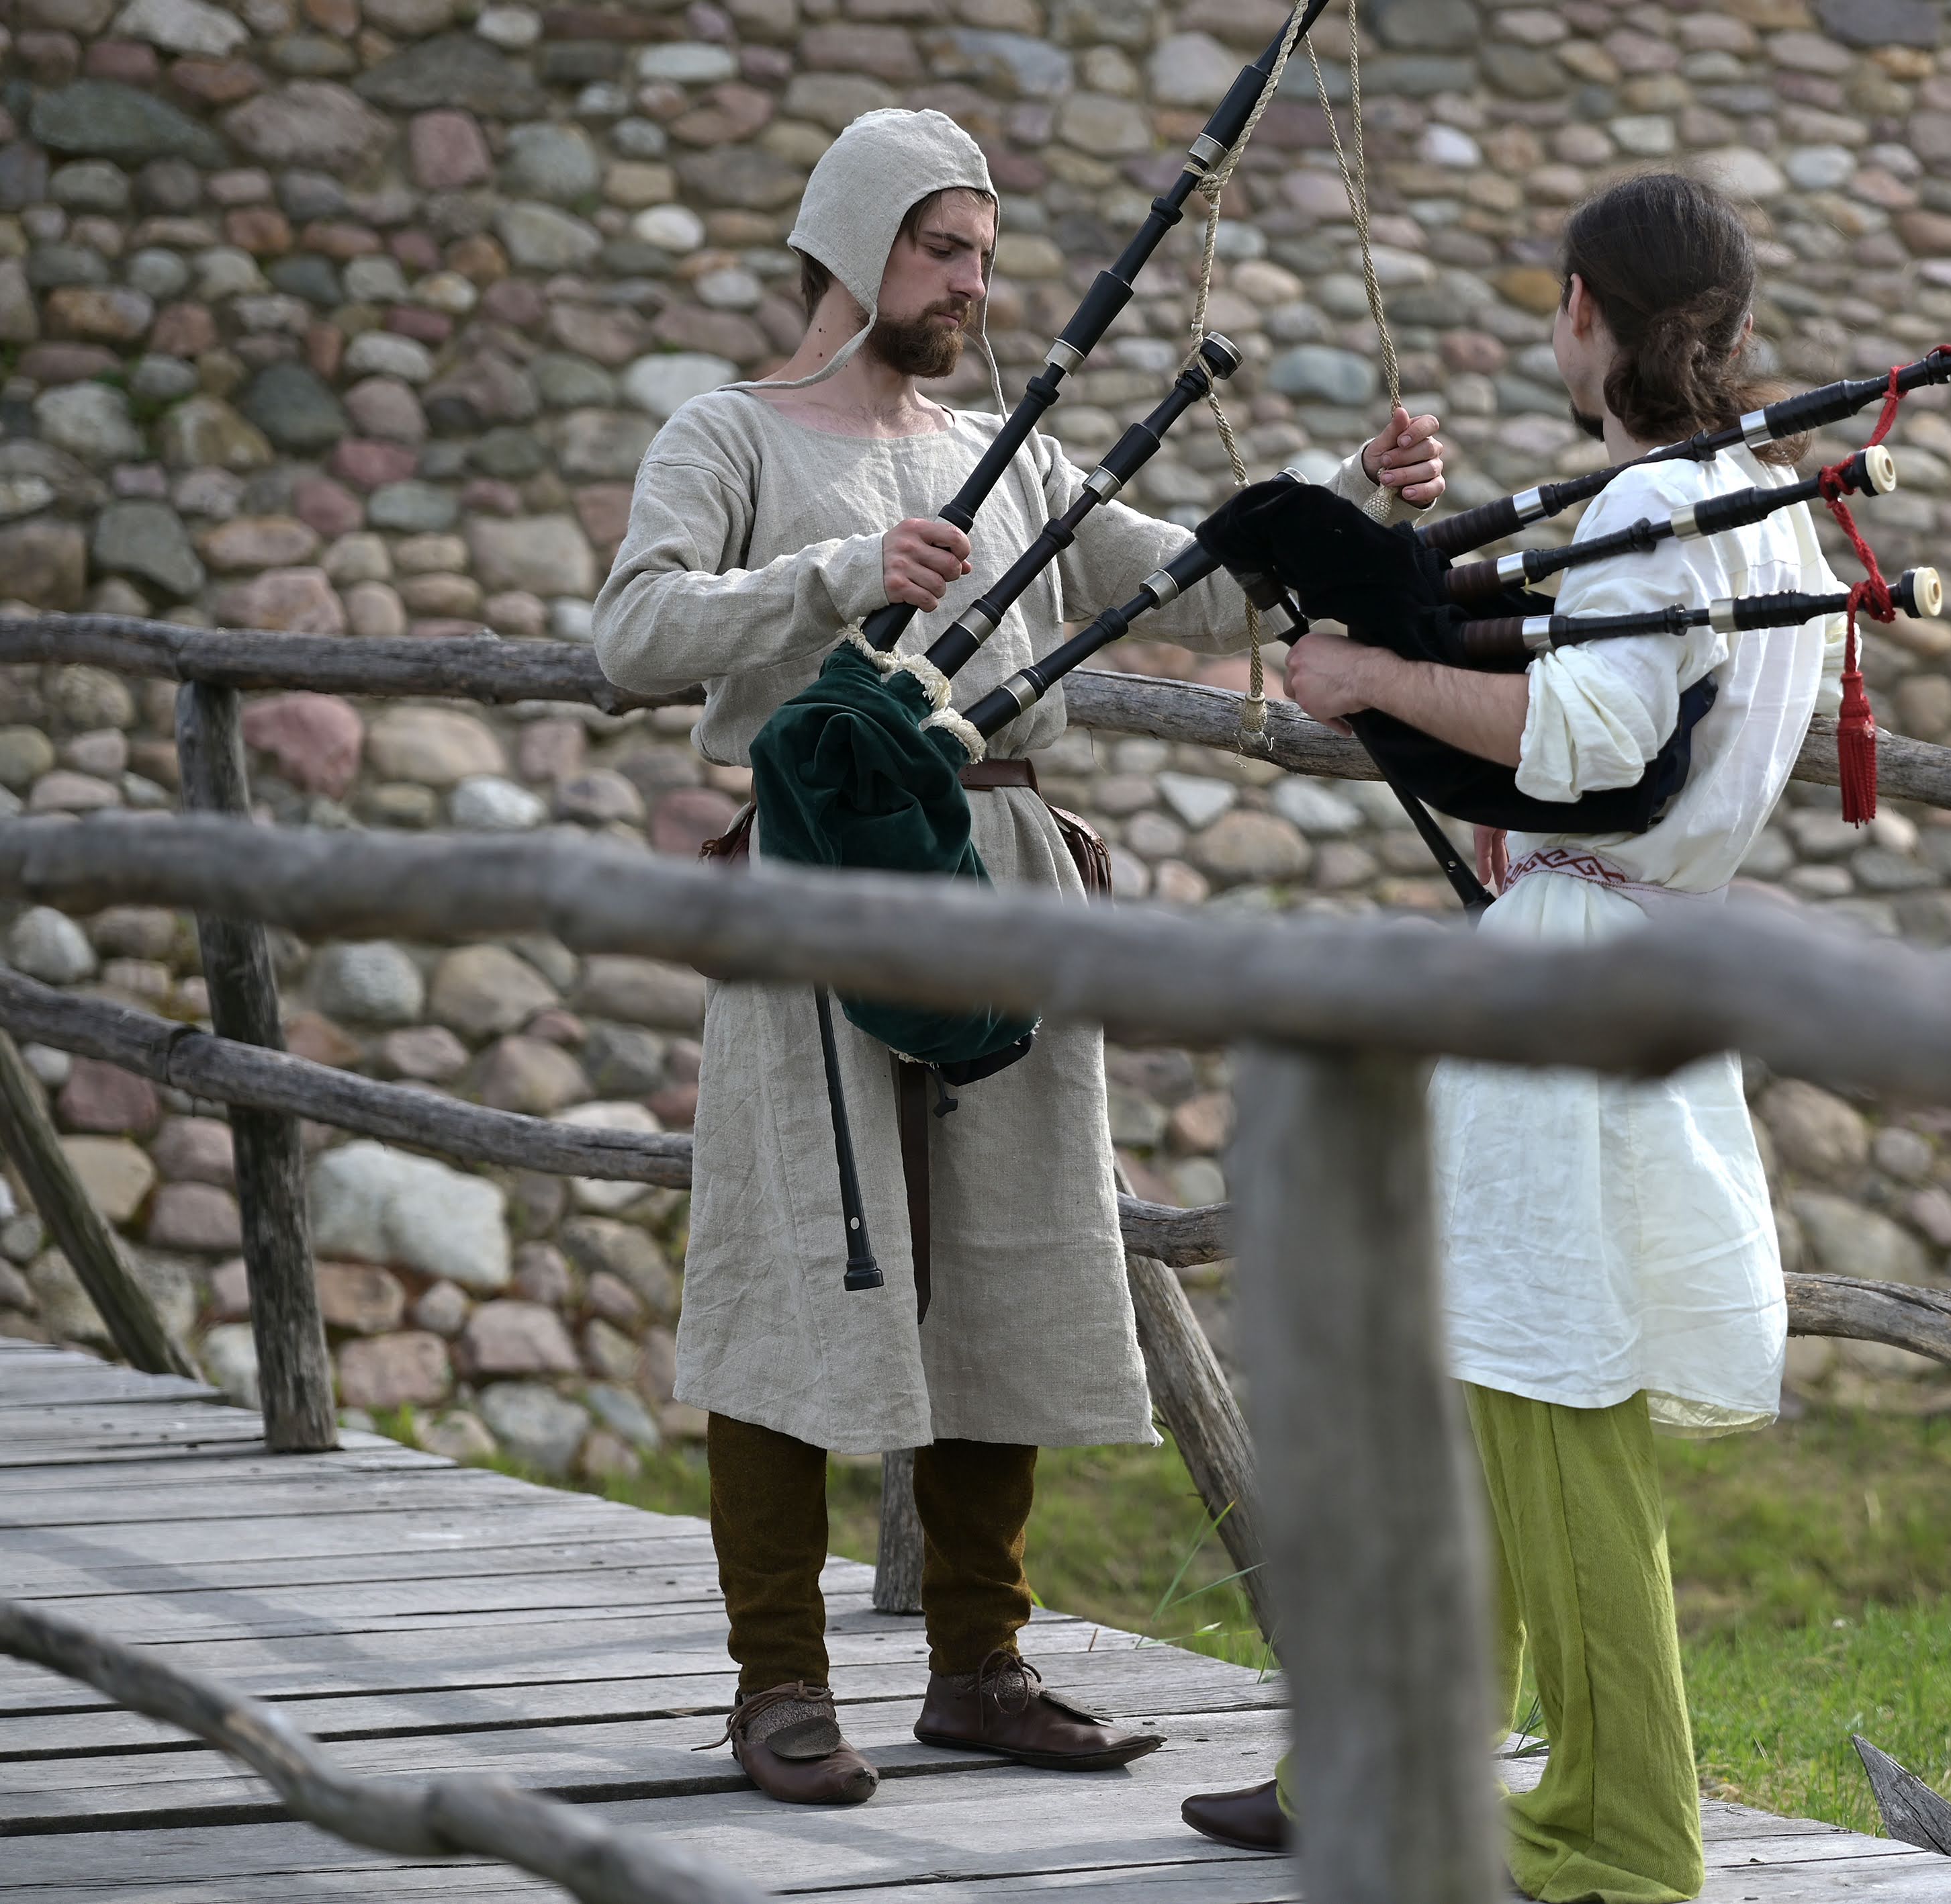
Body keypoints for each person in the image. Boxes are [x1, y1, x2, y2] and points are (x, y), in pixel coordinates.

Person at [592, 107, 1447, 1807]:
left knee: (1000, 1261)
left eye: (982, 253)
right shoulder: (730, 433)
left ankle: (979, 1663)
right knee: (790, 1269)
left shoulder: (1022, 455)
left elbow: (1193, 593)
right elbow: (633, 628)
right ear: (849, 247)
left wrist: (1347, 505)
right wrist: (836, 573)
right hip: (819, 875)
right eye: (939, 249)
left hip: (998, 864)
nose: (970, 283)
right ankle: (776, 1682)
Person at [1177, 172, 1840, 1900]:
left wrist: (1374, 681)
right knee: (1481, 1395)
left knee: (1558, 1426)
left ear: (1580, 314)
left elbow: (1601, 739)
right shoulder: (1763, 501)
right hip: (1618, 953)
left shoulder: (1655, 505)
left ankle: (1624, 1836)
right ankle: (1372, 1761)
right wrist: (1410, 605)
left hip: (1578, 975)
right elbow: (1612, 709)